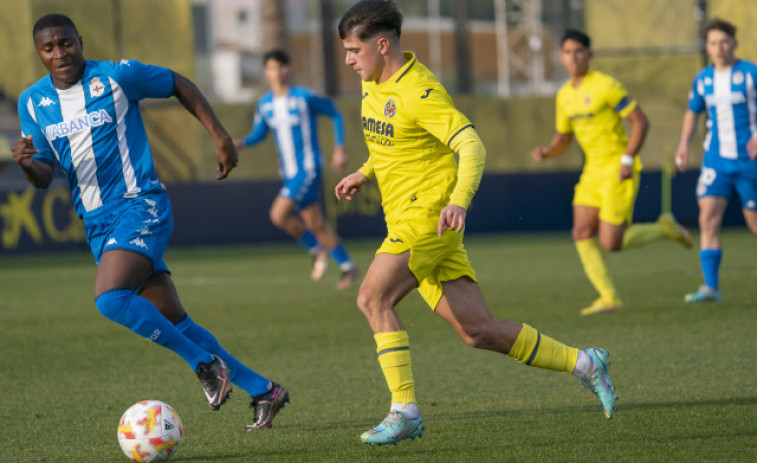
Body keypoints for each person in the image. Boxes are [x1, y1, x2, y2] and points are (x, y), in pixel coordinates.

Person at [335, 0, 617, 446]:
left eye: (354, 50)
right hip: (412, 222)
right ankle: (586, 363)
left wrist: (459, 202)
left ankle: (404, 410)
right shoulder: (375, 84)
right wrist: (363, 172)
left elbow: (472, 145)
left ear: (381, 45)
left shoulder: (420, 91)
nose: (348, 60)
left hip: (428, 218)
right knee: (478, 331)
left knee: (372, 299)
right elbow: (395, 141)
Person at [13, 14, 289, 430]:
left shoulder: (117, 77)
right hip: (98, 224)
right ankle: (264, 390)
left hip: (141, 204)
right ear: (39, 54)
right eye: (49, 48)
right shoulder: (32, 102)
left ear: (80, 41)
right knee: (175, 319)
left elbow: (178, 82)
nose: (60, 53)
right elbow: (44, 175)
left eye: (66, 43)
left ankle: (204, 365)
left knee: (109, 298)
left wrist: (221, 138)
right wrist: (28, 165)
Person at [531, 29, 693, 316]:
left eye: (578, 51)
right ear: (561, 57)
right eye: (567, 52)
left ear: (589, 55)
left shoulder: (606, 85)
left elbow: (641, 122)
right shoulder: (565, 95)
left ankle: (664, 229)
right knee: (581, 231)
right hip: (592, 170)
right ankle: (608, 297)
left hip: (618, 168)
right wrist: (547, 151)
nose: (573, 57)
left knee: (611, 243)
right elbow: (564, 137)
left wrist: (628, 159)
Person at [234, 49, 359, 289]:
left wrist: (339, 148)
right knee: (316, 224)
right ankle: (348, 266)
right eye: (272, 68)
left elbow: (335, 113)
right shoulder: (265, 104)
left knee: (278, 214)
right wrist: (239, 143)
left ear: (288, 69)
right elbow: (259, 134)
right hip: (290, 173)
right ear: (266, 72)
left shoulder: (304, 97)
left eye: (281, 67)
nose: (277, 73)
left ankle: (316, 250)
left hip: (308, 169)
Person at [675, 18, 757, 303]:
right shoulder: (703, 79)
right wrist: (684, 145)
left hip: (750, 162)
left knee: (754, 223)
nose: (719, 48)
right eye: (713, 43)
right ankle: (711, 287)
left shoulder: (750, 73)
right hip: (716, 162)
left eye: (724, 41)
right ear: (707, 47)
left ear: (734, 44)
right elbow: (692, 112)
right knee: (707, 218)